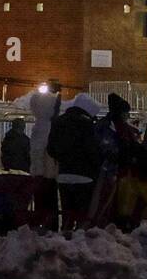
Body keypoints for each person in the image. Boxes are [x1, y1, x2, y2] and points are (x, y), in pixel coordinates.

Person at [47, 101, 100, 230]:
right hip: (84, 176)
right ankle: (79, 239)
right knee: (82, 213)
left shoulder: (58, 122)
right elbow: (92, 151)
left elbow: (50, 149)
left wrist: (62, 158)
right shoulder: (87, 124)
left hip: (64, 174)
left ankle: (66, 237)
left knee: (67, 212)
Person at [89, 93, 131, 227]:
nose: (127, 116)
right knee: (104, 199)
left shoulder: (114, 126)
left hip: (114, 169)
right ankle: (100, 224)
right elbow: (107, 148)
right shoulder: (108, 127)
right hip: (107, 169)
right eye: (126, 113)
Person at [29, 82, 62, 229]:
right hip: (49, 174)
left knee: (40, 201)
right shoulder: (51, 127)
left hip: (37, 173)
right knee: (50, 201)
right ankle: (51, 225)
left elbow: (35, 151)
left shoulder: (38, 127)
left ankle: (40, 222)